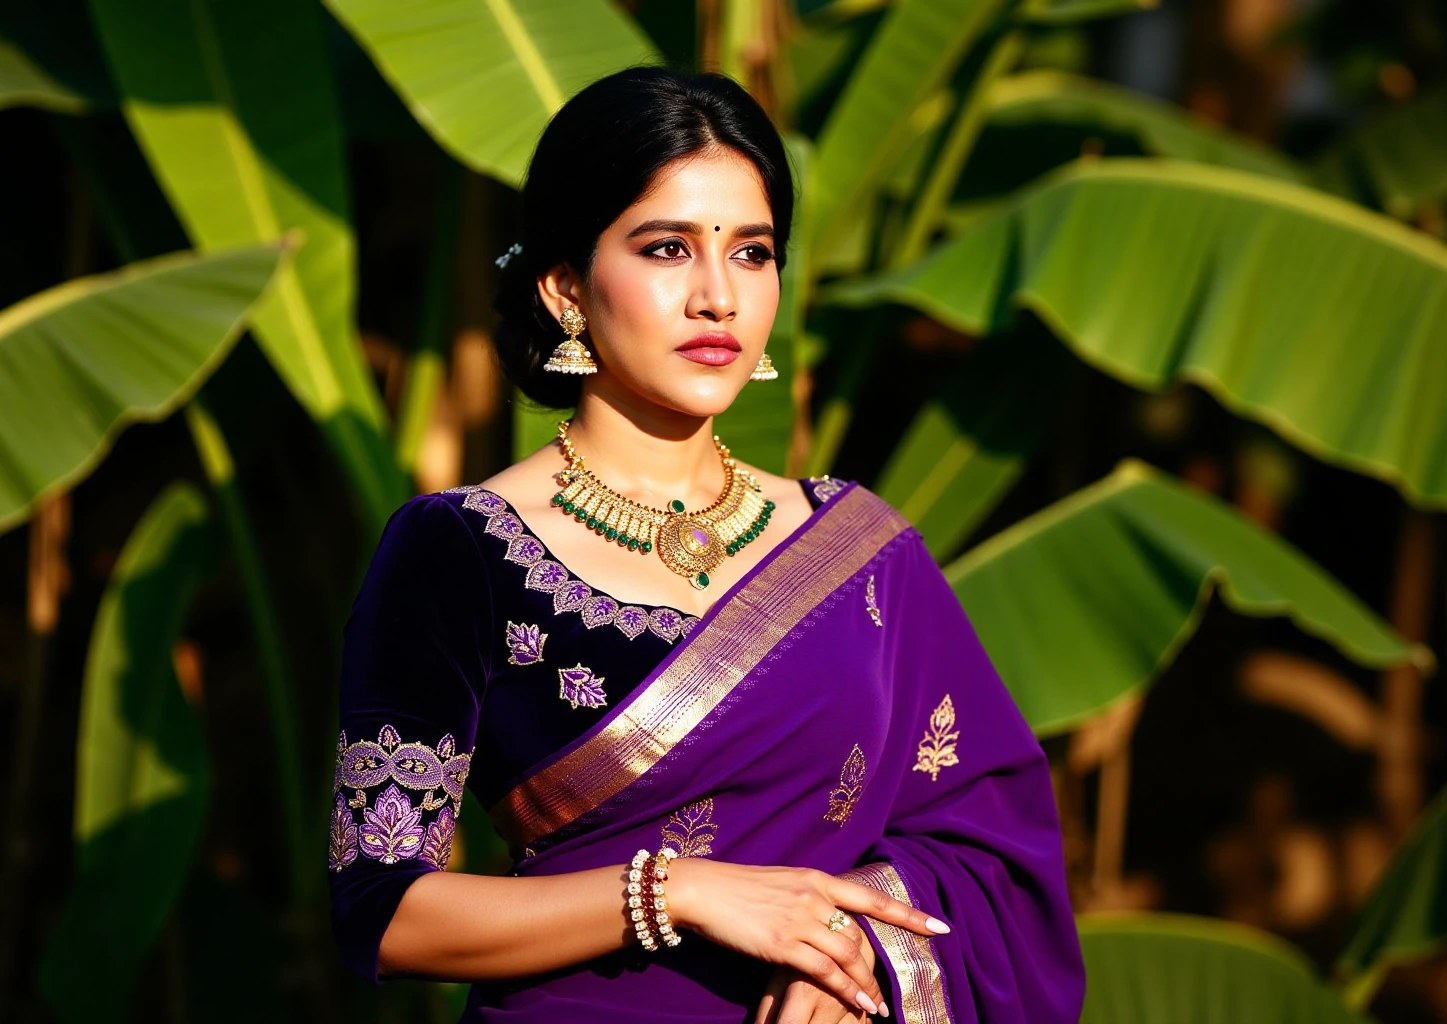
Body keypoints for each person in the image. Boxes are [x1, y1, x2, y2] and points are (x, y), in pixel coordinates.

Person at [327, 65, 1084, 1024]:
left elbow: (992, 845)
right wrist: (675, 890)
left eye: (753, 251)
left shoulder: (862, 552)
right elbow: (384, 911)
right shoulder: (459, 551)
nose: (718, 296)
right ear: (565, 288)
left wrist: (854, 948)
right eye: (668, 248)